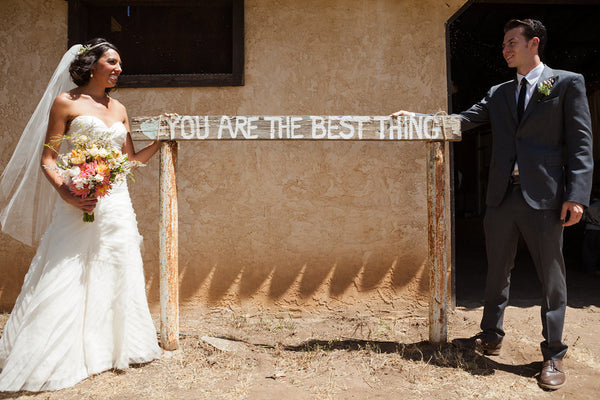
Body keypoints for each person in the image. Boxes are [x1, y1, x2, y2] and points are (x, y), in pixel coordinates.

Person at [392, 19, 593, 390]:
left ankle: (553, 353)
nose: (505, 49)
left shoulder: (566, 83)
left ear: (534, 43)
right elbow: (464, 121)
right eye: (503, 43)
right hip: (502, 196)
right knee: (496, 271)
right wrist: (420, 119)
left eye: (512, 42)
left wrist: (577, 196)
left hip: (547, 198)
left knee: (552, 278)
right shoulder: (499, 92)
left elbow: (581, 144)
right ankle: (490, 336)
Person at [0, 38, 162, 391]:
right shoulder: (66, 103)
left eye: (120, 64)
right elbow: (48, 160)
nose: (119, 69)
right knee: (68, 269)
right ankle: (56, 353)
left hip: (117, 202)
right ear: (92, 64)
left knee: (119, 265)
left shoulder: (119, 108)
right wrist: (68, 194)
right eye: (113, 62)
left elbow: (130, 161)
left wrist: (162, 140)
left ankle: (110, 349)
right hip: (78, 202)